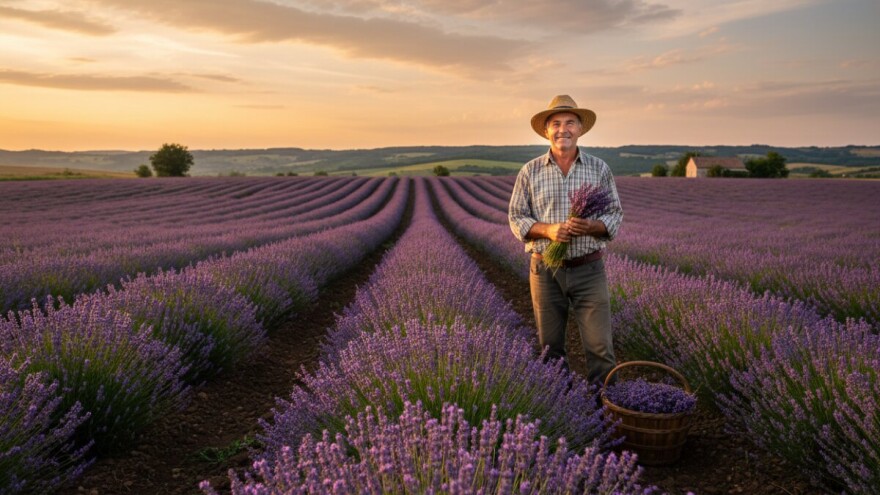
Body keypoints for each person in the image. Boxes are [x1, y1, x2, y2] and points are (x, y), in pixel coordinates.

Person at [508, 94, 623, 385]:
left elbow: (614, 215)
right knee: (551, 350)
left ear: (580, 129)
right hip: (545, 270)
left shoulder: (599, 169)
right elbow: (516, 217)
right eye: (556, 124)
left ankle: (606, 413)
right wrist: (548, 231)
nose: (563, 129)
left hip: (589, 270)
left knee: (600, 349)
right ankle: (567, 415)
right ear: (546, 131)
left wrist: (590, 226)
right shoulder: (530, 171)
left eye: (570, 122)